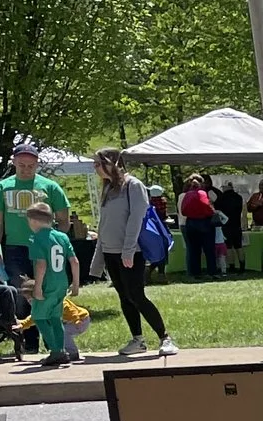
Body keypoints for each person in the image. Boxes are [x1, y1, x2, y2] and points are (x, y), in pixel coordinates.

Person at [93, 151, 175, 358]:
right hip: (111, 252)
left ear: (112, 163)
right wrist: (99, 258)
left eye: (98, 163)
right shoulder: (108, 187)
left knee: (136, 295)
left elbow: (136, 219)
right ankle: (137, 339)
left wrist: (128, 250)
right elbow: (104, 224)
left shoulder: (133, 185)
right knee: (124, 297)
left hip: (131, 252)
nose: (95, 167)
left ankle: (165, 337)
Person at [0, 139, 69, 298]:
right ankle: (23, 322)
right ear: (14, 162)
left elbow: (64, 220)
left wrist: (56, 242)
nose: (26, 170)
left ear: (37, 164)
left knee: (47, 291)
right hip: (15, 248)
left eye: (30, 166)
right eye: (22, 165)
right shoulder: (2, 187)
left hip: (44, 246)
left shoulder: (50, 187)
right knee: (21, 293)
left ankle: (45, 322)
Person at [20, 202, 80, 369]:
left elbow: (41, 264)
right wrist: (75, 284)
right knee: (55, 317)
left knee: (39, 316)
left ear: (33, 221)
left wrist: (37, 287)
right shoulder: (62, 236)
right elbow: (74, 262)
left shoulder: (36, 238)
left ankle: (56, 351)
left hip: (47, 282)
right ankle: (61, 350)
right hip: (62, 282)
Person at [177, 174, 219, 280]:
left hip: (190, 223)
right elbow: (207, 207)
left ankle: (195, 272)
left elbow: (183, 210)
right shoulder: (202, 193)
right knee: (209, 249)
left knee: (194, 250)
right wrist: (212, 212)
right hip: (204, 222)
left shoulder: (187, 195)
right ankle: (212, 271)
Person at [216, 179, 247, 272]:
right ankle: (242, 267)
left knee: (229, 247)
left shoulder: (221, 198)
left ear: (225, 187)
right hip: (237, 225)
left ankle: (232, 267)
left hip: (226, 226)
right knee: (239, 246)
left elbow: (218, 211)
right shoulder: (239, 197)